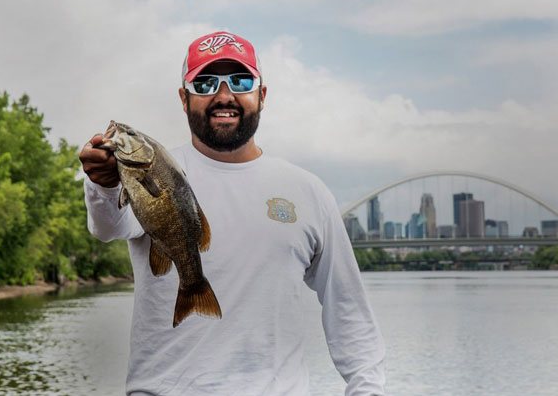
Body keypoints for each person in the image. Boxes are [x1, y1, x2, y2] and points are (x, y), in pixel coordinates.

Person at [80, 31, 386, 396]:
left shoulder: (309, 192)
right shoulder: (155, 168)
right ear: (184, 97)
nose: (223, 96)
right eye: (206, 82)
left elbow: (349, 311)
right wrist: (104, 184)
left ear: (261, 95)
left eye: (240, 81)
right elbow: (108, 226)